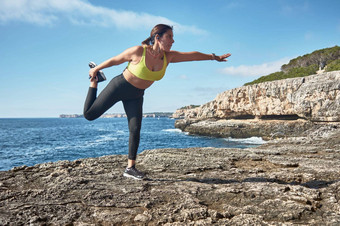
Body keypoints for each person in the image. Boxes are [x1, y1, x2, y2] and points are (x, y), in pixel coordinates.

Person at [83, 24, 231, 180]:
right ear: (157, 38)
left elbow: (192, 55)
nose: (173, 41)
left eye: (173, 38)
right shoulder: (139, 51)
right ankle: (95, 81)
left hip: (136, 95)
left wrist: (214, 57)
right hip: (119, 86)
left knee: (135, 128)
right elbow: (116, 60)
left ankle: (130, 168)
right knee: (89, 115)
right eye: (170, 37)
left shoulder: (169, 57)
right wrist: (96, 69)